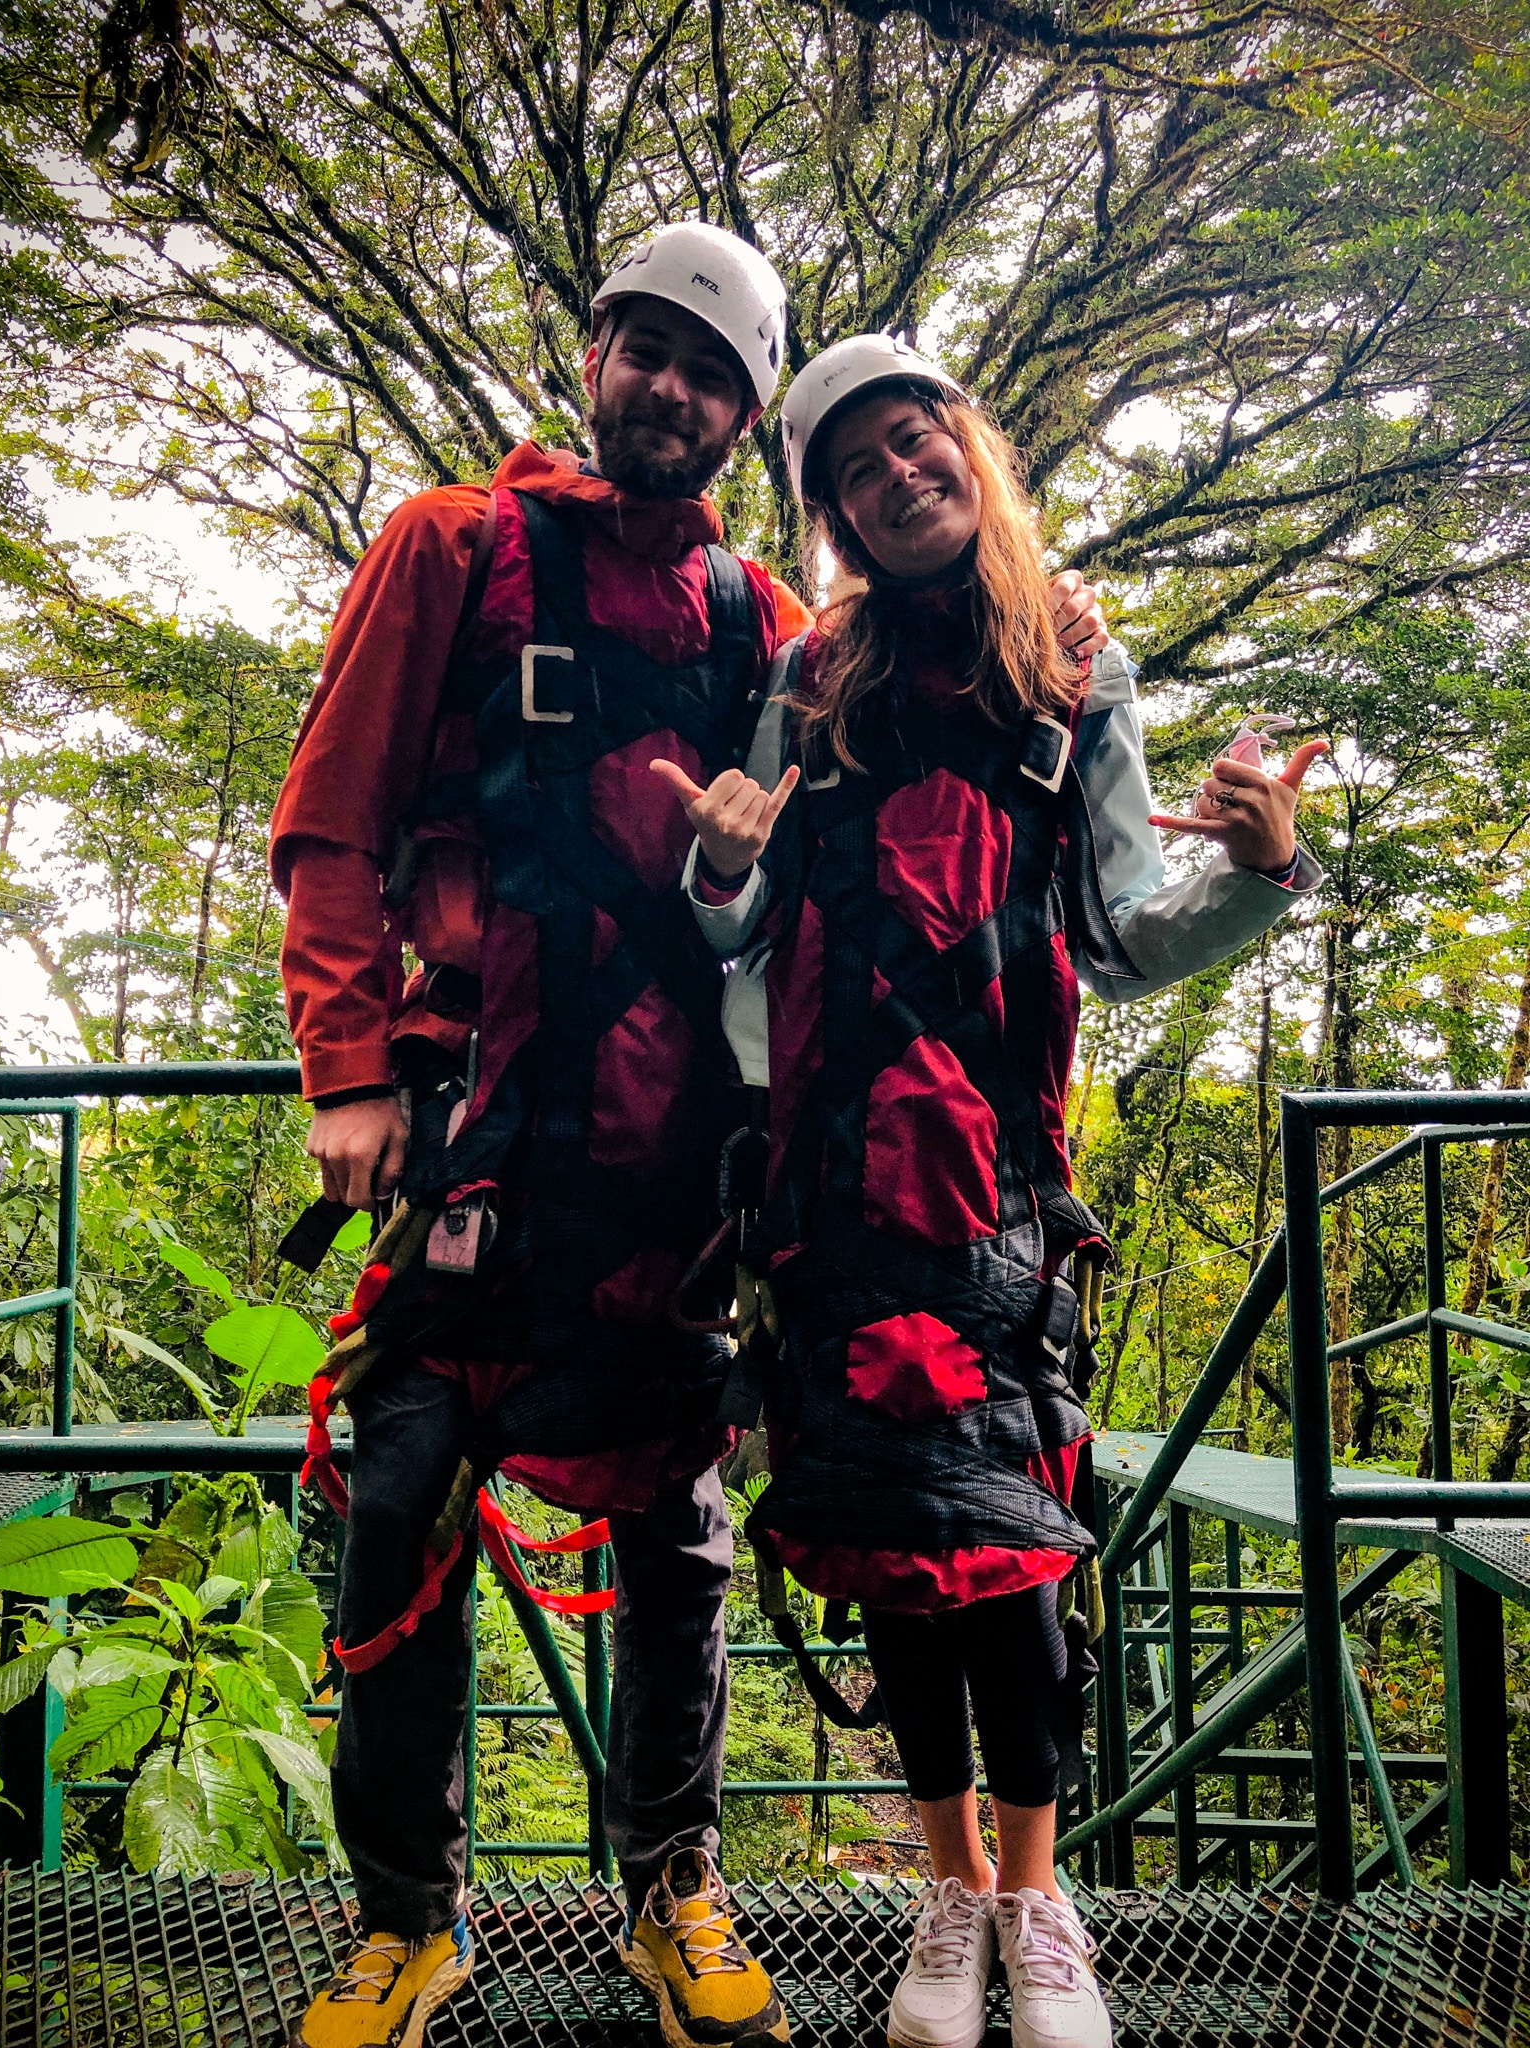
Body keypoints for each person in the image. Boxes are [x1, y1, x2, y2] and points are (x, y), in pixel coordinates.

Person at [272, 243, 1109, 2048]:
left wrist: (1060, 665)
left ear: (743, 422)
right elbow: (331, 823)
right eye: (643, 352)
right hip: (474, 1113)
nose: (668, 388)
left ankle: (676, 1888)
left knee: (677, 1523)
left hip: (676, 1153)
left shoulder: (756, 627)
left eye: (708, 373)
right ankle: (407, 1917)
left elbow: (912, 759)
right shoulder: (450, 549)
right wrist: (348, 1064)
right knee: (405, 1487)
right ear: (595, 360)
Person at [654, 335, 1325, 2048]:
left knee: (1014, 1563)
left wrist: (1259, 873)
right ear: (833, 518)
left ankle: (1039, 1906)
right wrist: (717, 864)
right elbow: (734, 920)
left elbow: (1118, 933)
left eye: (914, 439)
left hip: (1003, 1186)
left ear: (968, 445)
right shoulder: (810, 678)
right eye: (854, 468)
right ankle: (946, 1900)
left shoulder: (1072, 673)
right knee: (895, 1557)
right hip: (827, 1178)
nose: (895, 476)